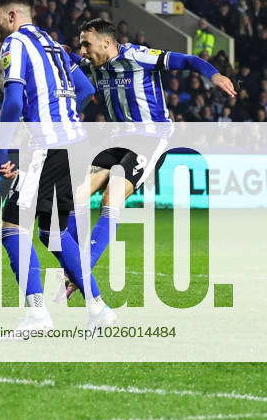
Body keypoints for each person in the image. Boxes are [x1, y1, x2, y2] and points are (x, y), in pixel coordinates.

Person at [56, 18, 237, 300]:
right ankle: (75, 269)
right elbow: (69, 60)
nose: (83, 50)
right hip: (117, 139)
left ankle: (79, 270)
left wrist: (215, 75)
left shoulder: (136, 56)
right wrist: (66, 52)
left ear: (107, 43)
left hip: (151, 138)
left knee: (111, 196)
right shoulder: (92, 64)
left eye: (86, 44)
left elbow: (188, 59)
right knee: (73, 194)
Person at [0, 0, 108, 332]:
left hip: (49, 146)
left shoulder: (14, 43)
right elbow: (85, 90)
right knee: (52, 231)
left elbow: (12, 101)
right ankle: (99, 310)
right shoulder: (52, 43)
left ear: (12, 15)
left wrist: (1, 151)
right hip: (75, 145)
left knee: (13, 225)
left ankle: (37, 314)